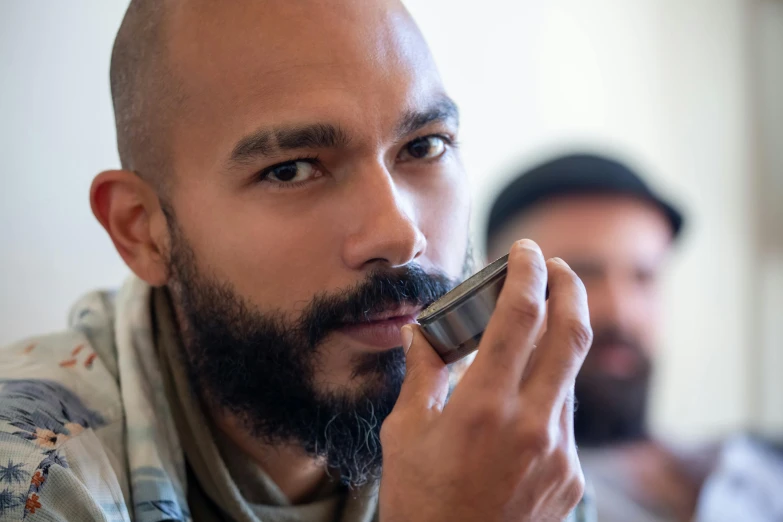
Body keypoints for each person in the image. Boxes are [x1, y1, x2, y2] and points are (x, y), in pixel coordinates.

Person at [0, 1, 596, 521]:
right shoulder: (31, 477)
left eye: (424, 145)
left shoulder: (516, 449)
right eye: (291, 169)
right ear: (144, 232)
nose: (398, 234)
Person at [486, 152, 783, 522]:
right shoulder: (482, 500)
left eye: (644, 277)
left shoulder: (754, 462)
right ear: (493, 300)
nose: (621, 311)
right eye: (579, 275)